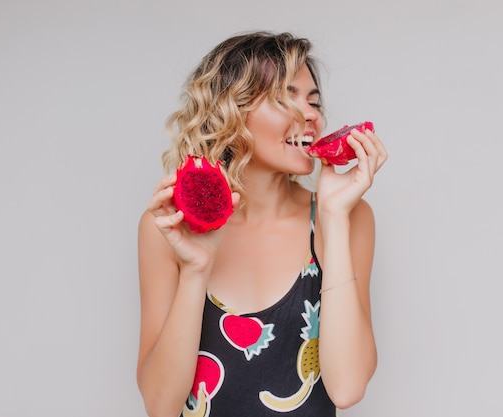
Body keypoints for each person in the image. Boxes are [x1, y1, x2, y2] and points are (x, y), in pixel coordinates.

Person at [136, 31, 388, 417]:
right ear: (231, 112)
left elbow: (348, 387)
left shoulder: (350, 219)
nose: (311, 116)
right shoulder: (168, 228)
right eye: (286, 97)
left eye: (313, 101)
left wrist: (333, 220)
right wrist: (195, 269)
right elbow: (160, 405)